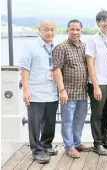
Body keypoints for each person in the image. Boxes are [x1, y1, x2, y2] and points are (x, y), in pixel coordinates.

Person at [19, 19, 58, 164]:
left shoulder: (55, 46)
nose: (49, 32)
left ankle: (46, 145)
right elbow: (25, 69)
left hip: (52, 92)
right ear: (39, 29)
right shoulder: (30, 46)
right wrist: (26, 90)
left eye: (52, 29)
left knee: (50, 122)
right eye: (46, 29)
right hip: (35, 92)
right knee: (35, 124)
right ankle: (36, 150)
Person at [53, 19, 91, 159]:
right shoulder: (61, 47)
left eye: (78, 30)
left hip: (82, 92)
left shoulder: (85, 46)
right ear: (67, 30)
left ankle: (77, 142)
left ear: (81, 31)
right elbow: (56, 70)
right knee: (67, 120)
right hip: (67, 93)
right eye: (72, 29)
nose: (75, 32)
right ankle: (69, 146)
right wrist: (61, 90)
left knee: (80, 119)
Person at [86, 10, 107, 156]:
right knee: (97, 115)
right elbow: (90, 64)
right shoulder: (92, 40)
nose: (106, 23)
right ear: (98, 23)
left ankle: (104, 140)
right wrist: (96, 86)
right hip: (98, 84)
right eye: (103, 20)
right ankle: (97, 144)